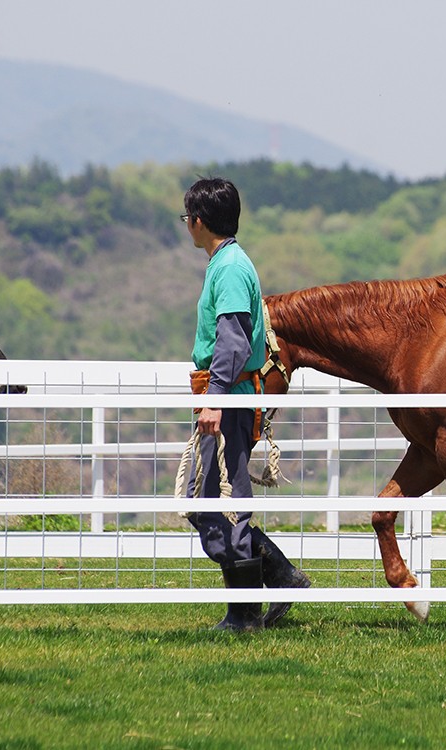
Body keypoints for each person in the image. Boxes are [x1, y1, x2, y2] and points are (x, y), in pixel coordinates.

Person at [183, 176, 310, 632]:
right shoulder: (227, 263)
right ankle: (277, 578)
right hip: (226, 396)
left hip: (228, 400)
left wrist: (214, 397)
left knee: (219, 502)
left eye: (187, 218)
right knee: (207, 501)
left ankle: (246, 613)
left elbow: (233, 341)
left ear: (198, 222)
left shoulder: (231, 268)